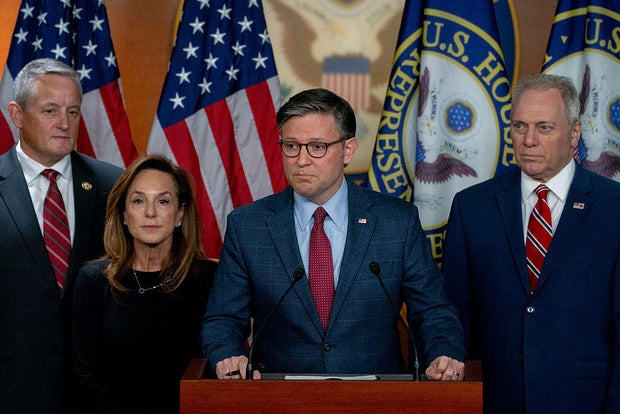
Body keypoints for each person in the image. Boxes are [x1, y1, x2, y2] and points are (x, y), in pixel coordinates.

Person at [202, 88, 465, 380]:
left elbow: (432, 310)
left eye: (317, 146)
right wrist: (227, 354)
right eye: (291, 145)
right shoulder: (248, 226)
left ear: (348, 150)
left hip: (376, 398)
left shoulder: (396, 222)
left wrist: (444, 352)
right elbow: (223, 318)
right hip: (279, 398)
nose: (301, 160)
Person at [442, 74, 620, 413]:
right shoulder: (472, 207)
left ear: (574, 134)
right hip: (494, 398)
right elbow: (453, 314)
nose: (529, 140)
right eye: (519, 126)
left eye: (544, 127)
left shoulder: (613, 208)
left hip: (586, 401)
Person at [0, 58, 123, 413]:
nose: (64, 124)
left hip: (96, 388)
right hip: (12, 386)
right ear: (17, 114)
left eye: (72, 111)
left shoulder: (112, 185)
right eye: (50, 110)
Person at [72, 154, 216, 413]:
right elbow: (86, 374)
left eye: (163, 201)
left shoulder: (208, 279)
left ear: (180, 213)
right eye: (139, 201)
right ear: (125, 214)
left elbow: (213, 366)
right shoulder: (94, 280)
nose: (151, 212)